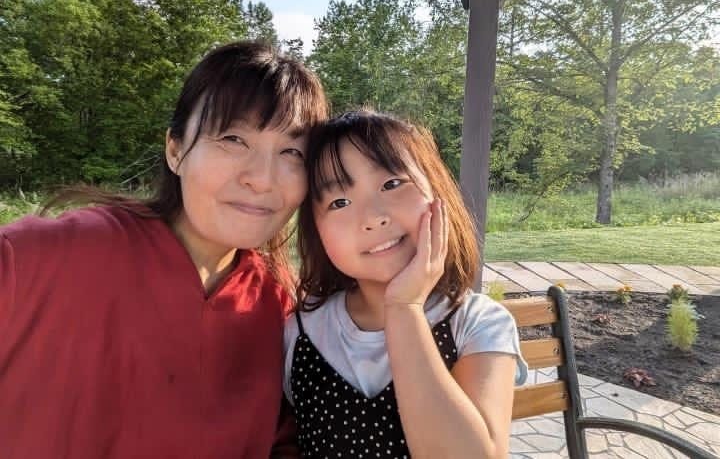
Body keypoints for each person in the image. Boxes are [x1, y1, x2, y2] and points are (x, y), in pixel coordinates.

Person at [0, 41, 328, 459]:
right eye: (233, 138)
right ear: (175, 150)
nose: (262, 179)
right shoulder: (42, 260)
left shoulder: (279, 311)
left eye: (292, 152)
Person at [284, 110, 528, 458]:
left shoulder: (477, 324)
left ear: (436, 191)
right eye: (339, 202)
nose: (373, 217)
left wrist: (404, 307)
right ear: (316, 231)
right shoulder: (300, 333)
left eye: (391, 184)